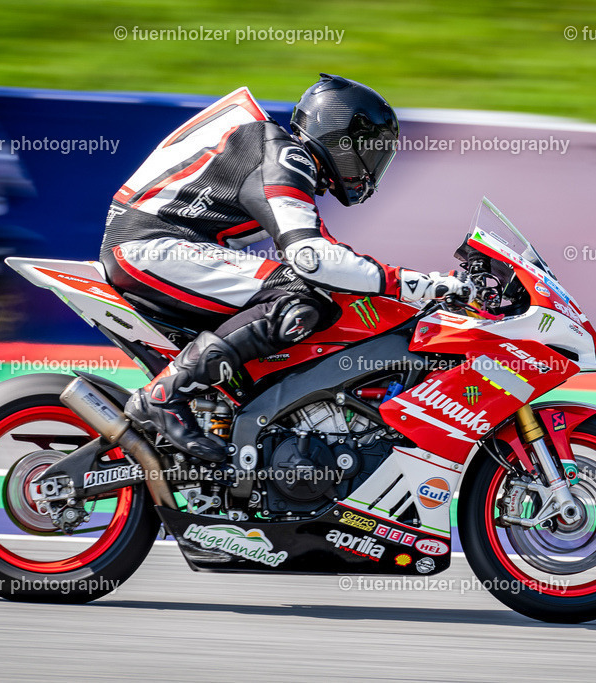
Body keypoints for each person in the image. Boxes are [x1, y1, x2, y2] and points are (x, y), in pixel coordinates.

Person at [100, 74, 474, 463]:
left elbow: (329, 261)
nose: (372, 162)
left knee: (319, 295)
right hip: (152, 249)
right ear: (337, 135)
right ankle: (164, 396)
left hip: (163, 247)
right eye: (368, 148)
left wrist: (413, 289)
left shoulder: (286, 161)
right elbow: (313, 259)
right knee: (299, 300)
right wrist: (422, 285)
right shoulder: (284, 156)